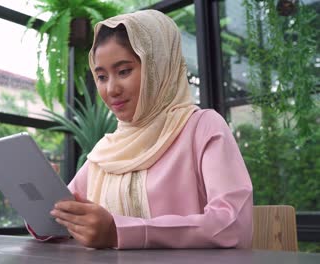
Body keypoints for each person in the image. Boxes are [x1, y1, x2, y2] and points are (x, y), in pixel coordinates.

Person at [29, 9, 253, 250]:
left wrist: (119, 232)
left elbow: (232, 225)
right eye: (102, 77)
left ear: (159, 67)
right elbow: (62, 213)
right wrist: (37, 210)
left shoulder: (202, 127)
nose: (111, 89)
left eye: (124, 71)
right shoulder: (107, 150)